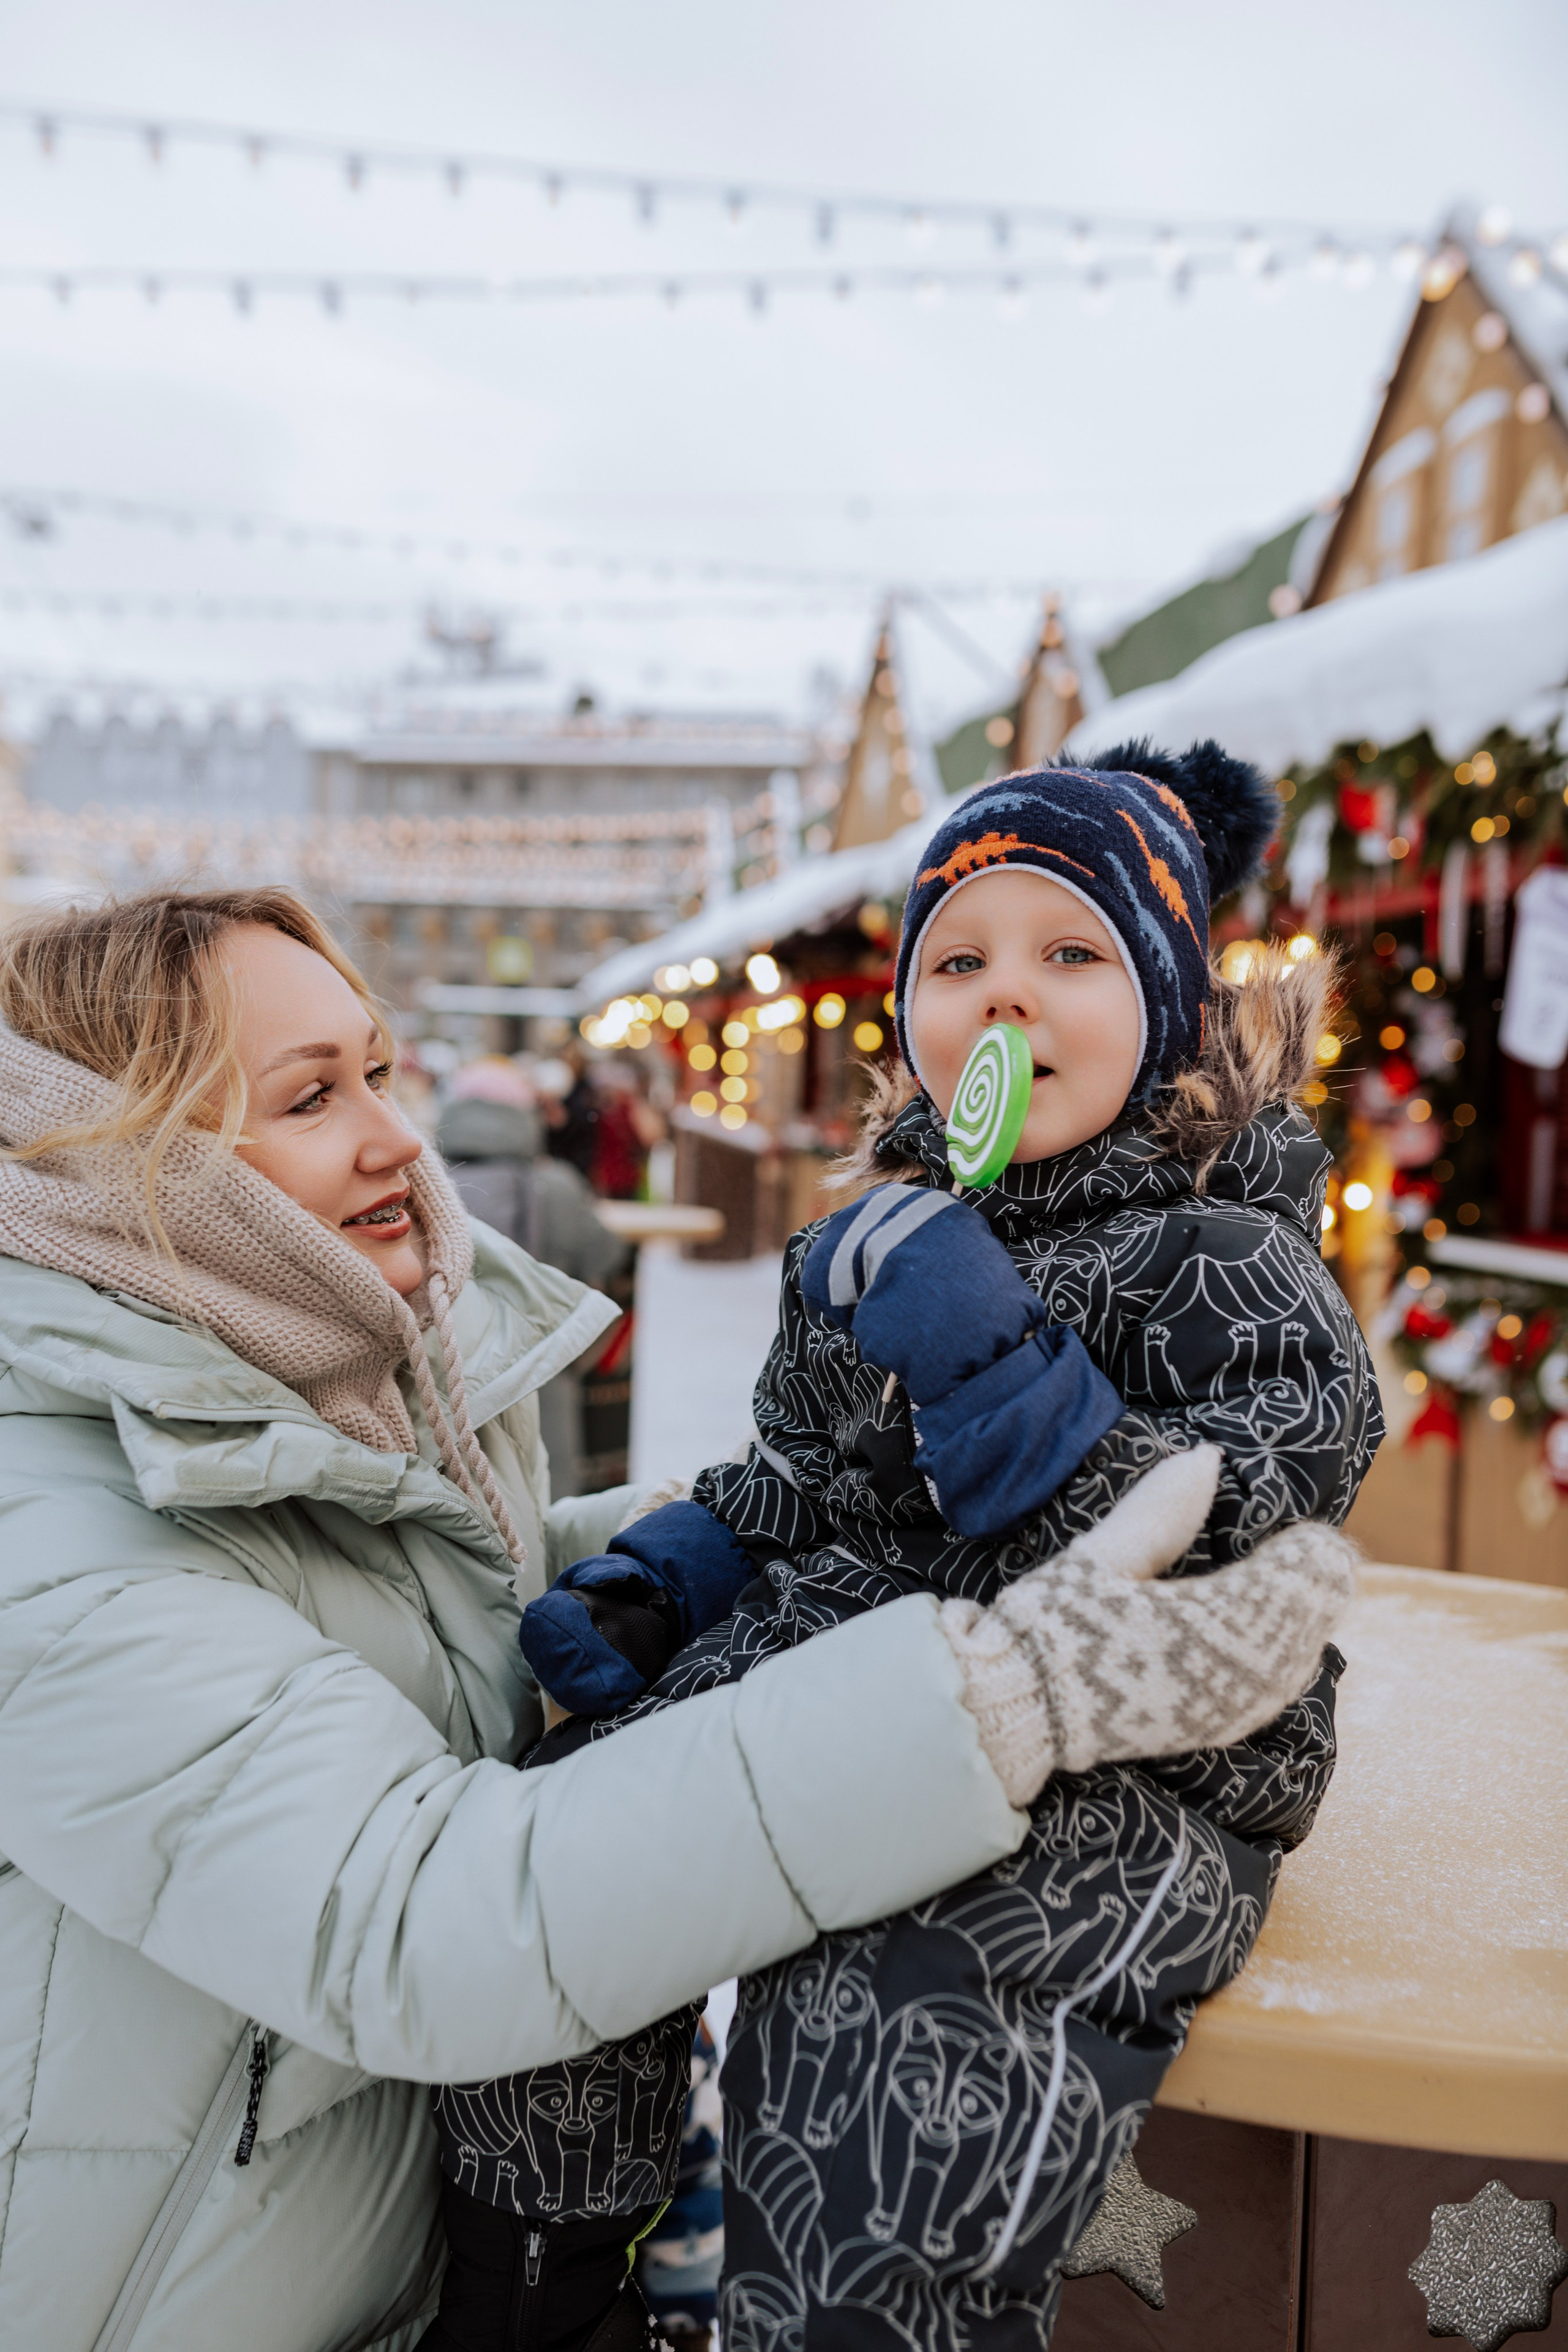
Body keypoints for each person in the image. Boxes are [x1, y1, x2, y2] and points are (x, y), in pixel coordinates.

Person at [0, 885, 1177, 2352]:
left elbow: (442, 1622)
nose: (393, 1138)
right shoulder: (43, 1532)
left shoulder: (316, 1377)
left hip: (385, 2275)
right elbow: (417, 1917)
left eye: (378, 1070)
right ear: (124, 1165)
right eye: (313, 1096)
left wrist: (754, 1527)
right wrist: (977, 1697)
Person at [475, 742, 1374, 2350]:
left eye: (1070, 954)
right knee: (565, 1837)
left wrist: (1001, 1372)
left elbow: (1250, 1531)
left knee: (884, 2002)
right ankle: (550, 2260)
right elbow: (800, 1473)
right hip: (871, 1658)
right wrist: (677, 1570)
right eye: (957, 962)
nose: (1002, 999)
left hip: (1138, 1745)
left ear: (1168, 1000)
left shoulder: (1224, 1250)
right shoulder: (873, 1236)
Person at [438, 1056, 625, 1494]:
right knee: (543, 1506)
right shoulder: (555, 1184)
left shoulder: (428, 1183)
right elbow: (605, 1252)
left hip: (446, 1382)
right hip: (542, 1380)